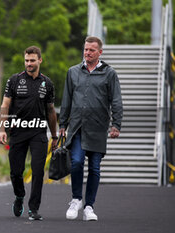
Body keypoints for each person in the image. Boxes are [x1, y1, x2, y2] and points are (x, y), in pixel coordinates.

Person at [59, 36, 123, 221]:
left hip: (97, 128)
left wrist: (116, 124)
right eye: (86, 49)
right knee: (77, 162)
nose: (87, 53)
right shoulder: (72, 72)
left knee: (94, 168)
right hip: (77, 126)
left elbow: (116, 101)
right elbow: (66, 100)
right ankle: (76, 199)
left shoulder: (109, 73)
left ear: (100, 52)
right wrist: (63, 123)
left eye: (91, 50)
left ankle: (89, 207)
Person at [0, 46, 58, 221]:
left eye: (32, 60)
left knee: (38, 170)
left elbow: (51, 111)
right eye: (26, 60)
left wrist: (54, 136)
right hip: (17, 131)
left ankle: (33, 209)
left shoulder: (47, 83)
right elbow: (5, 106)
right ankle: (19, 196)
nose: (29, 63)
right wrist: (2, 129)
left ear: (40, 60)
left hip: (38, 132)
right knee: (16, 172)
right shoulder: (14, 80)